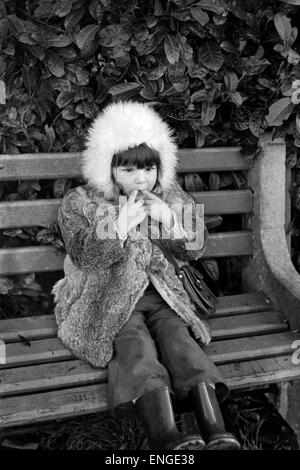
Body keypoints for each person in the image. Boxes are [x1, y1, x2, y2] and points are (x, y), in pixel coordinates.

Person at [52, 101, 240, 450]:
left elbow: (196, 246)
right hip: (108, 300)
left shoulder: (168, 196)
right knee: (135, 345)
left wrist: (169, 219)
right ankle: (165, 432)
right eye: (128, 170)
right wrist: (118, 226)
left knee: (178, 338)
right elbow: (82, 255)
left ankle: (214, 426)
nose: (141, 179)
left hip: (163, 295)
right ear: (107, 169)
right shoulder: (81, 202)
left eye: (150, 169)